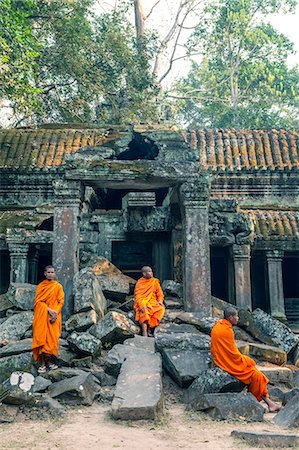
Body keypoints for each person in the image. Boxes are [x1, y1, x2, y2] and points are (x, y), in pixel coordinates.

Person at [210, 306, 281, 412]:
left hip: (220, 360)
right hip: (227, 364)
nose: (238, 318)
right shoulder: (227, 331)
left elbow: (229, 351)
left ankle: (270, 404)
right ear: (230, 317)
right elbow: (234, 355)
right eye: (236, 316)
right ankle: (263, 403)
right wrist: (248, 360)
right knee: (257, 375)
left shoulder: (218, 326)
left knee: (255, 373)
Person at [32, 265, 64, 373]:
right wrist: (48, 309)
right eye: (48, 272)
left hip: (55, 316)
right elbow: (38, 302)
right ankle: (42, 363)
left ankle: (50, 361)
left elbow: (61, 302)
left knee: (52, 339)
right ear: (45, 274)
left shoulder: (58, 286)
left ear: (55, 274)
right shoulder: (41, 286)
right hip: (43, 315)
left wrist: (55, 312)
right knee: (41, 338)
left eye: (52, 272)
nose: (50, 274)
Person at [134, 266, 165, 337]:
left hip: (153, 302)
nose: (151, 273)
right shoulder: (140, 283)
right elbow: (138, 296)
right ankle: (144, 332)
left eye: (151, 271)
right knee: (144, 311)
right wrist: (141, 305)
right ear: (144, 274)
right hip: (143, 302)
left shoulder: (155, 281)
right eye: (149, 271)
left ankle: (150, 329)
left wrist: (160, 301)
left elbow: (160, 294)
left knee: (161, 309)